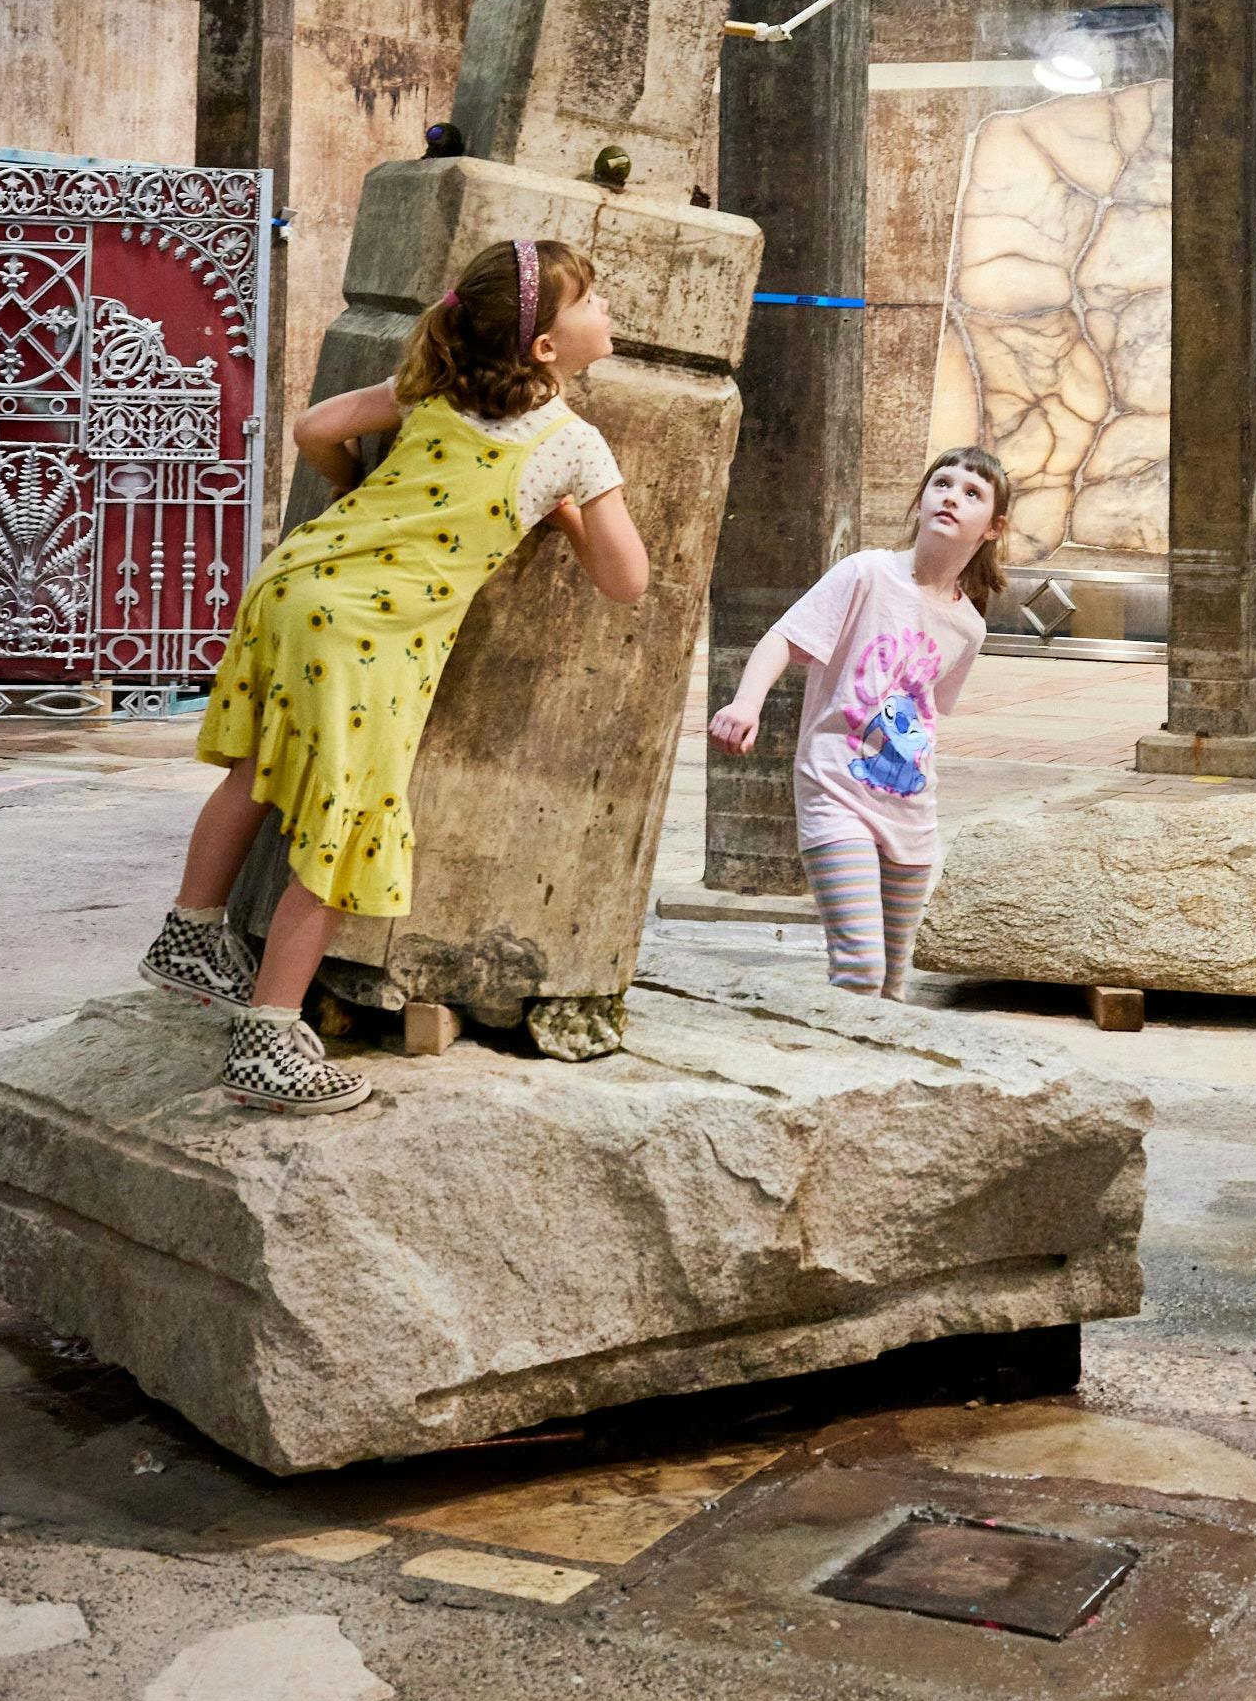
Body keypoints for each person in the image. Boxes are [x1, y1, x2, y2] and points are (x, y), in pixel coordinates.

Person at [140, 236, 648, 1110]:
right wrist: (564, 520)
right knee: (342, 831)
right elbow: (627, 580)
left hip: (297, 585)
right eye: (592, 301)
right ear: (545, 349)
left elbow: (314, 431)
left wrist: (353, 494)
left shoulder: (431, 386)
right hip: (369, 642)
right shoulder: (573, 446)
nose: (608, 310)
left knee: (259, 770)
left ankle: (190, 931)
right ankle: (268, 1038)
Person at [707, 447, 1010, 1000]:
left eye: (972, 493)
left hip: (911, 812)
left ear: (993, 528)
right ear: (920, 501)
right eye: (942, 483)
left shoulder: (969, 625)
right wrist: (746, 703)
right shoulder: (865, 573)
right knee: (860, 970)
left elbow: (926, 709)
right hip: (835, 791)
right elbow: (783, 637)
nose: (952, 496)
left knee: (894, 984)